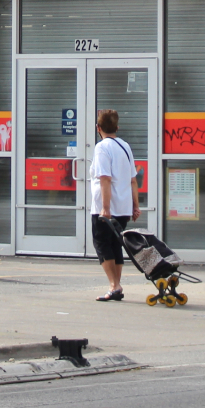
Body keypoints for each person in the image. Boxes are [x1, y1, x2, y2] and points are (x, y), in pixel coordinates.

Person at [89, 109, 137, 301]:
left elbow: (105, 179)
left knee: (102, 243)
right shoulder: (125, 146)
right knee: (116, 245)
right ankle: (116, 285)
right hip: (124, 207)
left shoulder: (102, 148)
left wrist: (105, 208)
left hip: (106, 207)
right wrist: (135, 205)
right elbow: (133, 180)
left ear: (97, 128)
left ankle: (114, 285)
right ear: (117, 127)